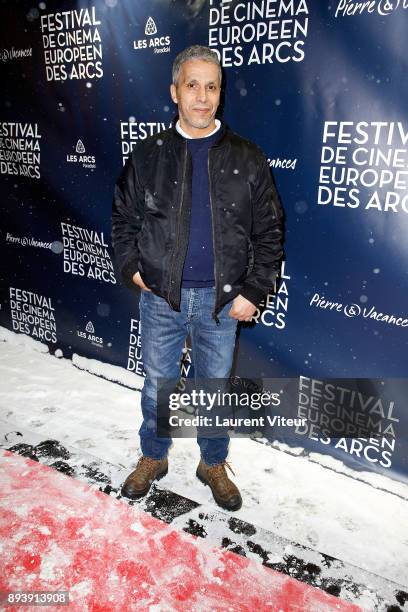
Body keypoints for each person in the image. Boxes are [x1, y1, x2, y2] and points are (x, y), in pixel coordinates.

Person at [112, 45, 284, 511]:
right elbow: (124, 221)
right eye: (192, 85)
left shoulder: (247, 158)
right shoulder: (149, 155)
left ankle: (212, 462)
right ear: (175, 92)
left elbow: (269, 230)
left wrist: (253, 291)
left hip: (223, 303)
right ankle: (154, 455)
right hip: (161, 299)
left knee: (214, 388)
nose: (202, 96)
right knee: (157, 386)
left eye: (212, 86)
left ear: (220, 92)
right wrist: (132, 270)